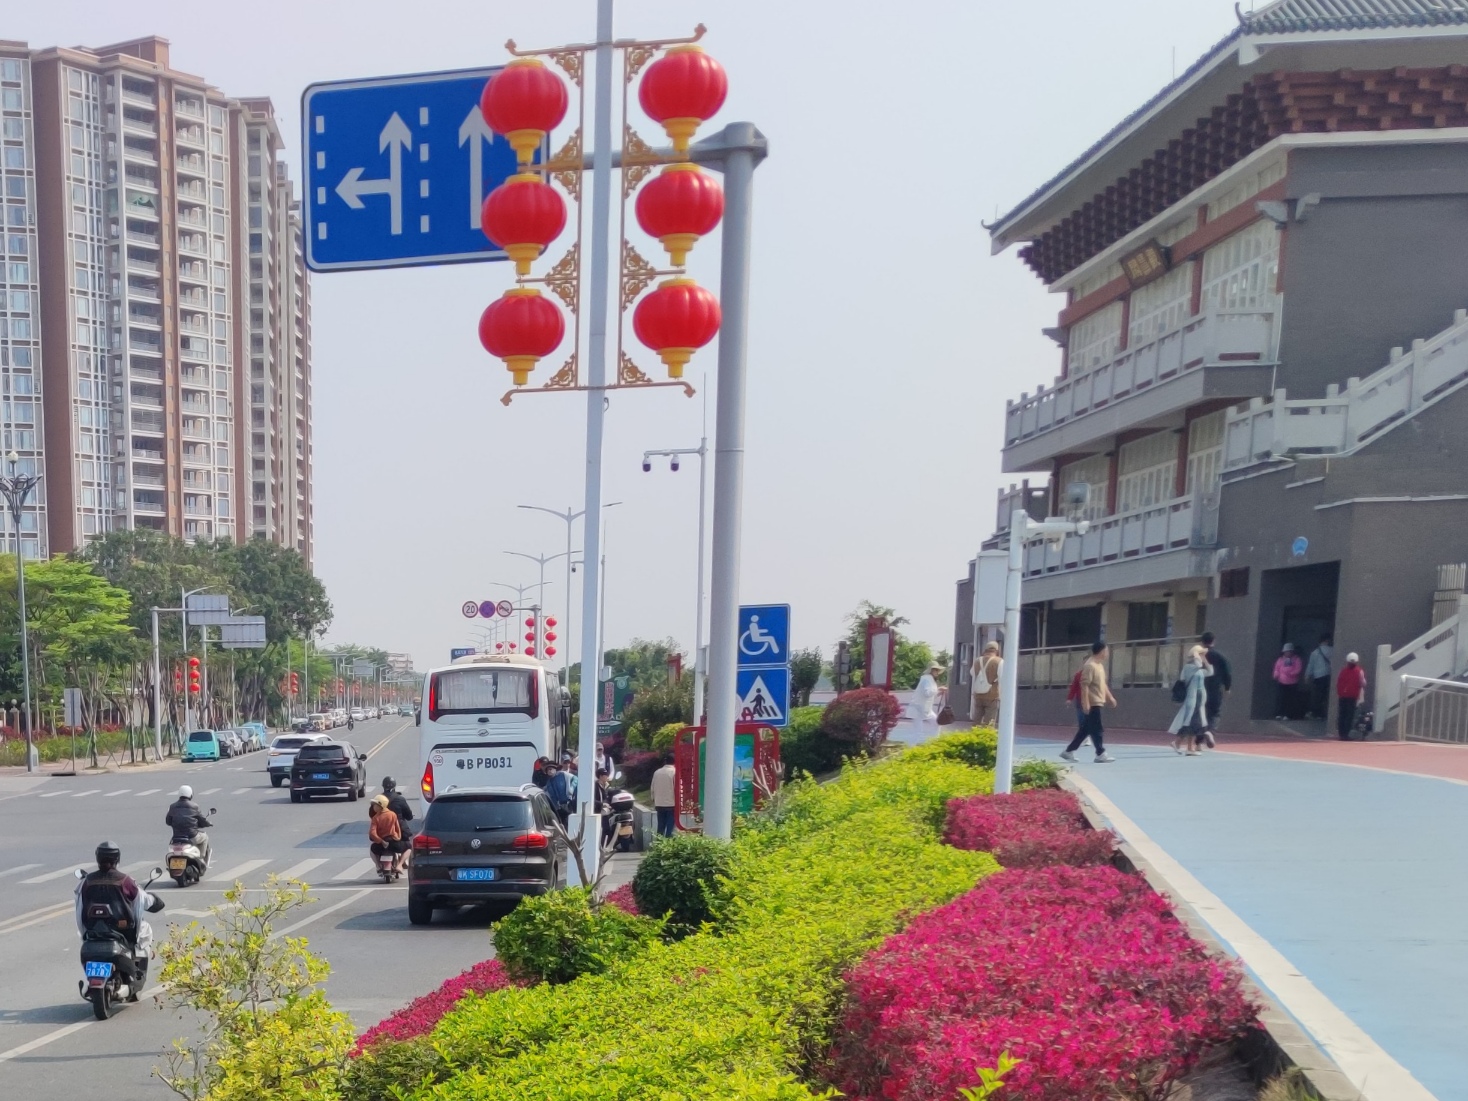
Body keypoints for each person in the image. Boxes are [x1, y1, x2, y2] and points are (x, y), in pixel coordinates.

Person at [75, 840, 162, 962]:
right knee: (145, 928)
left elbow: (79, 909)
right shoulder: (126, 881)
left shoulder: (86, 882)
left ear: (98, 858)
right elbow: (143, 901)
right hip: (122, 932)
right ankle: (137, 966)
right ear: (117, 859)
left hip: (92, 933)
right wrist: (154, 900)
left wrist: (84, 936)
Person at [1061, 642, 1117, 763]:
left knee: (1085, 729)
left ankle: (1069, 751)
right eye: (1106, 651)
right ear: (1101, 651)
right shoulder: (1090, 666)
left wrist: (1110, 698)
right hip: (1092, 703)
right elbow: (1084, 685)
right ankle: (1100, 753)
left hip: (1098, 701)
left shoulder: (1099, 666)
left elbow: (1102, 684)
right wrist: (1085, 703)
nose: (1107, 653)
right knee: (1097, 729)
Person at [1168, 645, 1214, 755]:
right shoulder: (1189, 667)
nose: (1203, 656)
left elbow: (1210, 671)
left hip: (1199, 700)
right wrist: (1198, 656)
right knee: (1191, 723)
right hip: (1192, 699)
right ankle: (1183, 745)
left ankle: (1183, 745)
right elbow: (1198, 666)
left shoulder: (1199, 670)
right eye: (1201, 654)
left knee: (1194, 724)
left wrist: (1205, 660)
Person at [165, 785, 212, 868]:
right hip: (192, 837)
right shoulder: (194, 806)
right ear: (190, 794)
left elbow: (168, 821)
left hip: (176, 838)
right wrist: (208, 823)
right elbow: (202, 820)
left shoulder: (172, 806)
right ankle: (201, 859)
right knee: (205, 837)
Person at [1200, 632, 1230, 745]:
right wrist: (1227, 687)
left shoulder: (1198, 656)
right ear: (1213, 641)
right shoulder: (1220, 656)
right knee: (1215, 713)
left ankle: (1198, 742)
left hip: (1200, 688)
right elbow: (1227, 673)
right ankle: (1211, 731)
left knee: (1201, 714)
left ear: (1202, 642)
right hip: (1215, 688)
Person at [368, 795, 409, 875]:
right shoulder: (393, 814)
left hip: (381, 845)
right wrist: (397, 838)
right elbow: (397, 829)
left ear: (380, 805)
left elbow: (372, 833)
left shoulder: (375, 818)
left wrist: (381, 841)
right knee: (408, 847)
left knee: (372, 849)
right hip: (393, 843)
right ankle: (400, 865)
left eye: (375, 805)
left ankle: (378, 866)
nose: (373, 807)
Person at [909, 660, 945, 741]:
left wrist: (938, 692)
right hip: (918, 708)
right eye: (936, 670)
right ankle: (913, 747)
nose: (937, 672)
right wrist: (939, 689)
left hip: (923, 708)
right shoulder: (927, 679)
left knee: (936, 723)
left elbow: (929, 695)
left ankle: (933, 742)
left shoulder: (929, 679)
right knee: (918, 731)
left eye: (938, 670)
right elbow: (928, 693)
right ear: (931, 670)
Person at [1336, 652, 1367, 740]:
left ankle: (1341, 734)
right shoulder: (1359, 671)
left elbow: (1338, 682)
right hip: (1353, 696)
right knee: (1349, 715)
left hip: (1342, 695)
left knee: (1342, 714)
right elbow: (1363, 683)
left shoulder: (1343, 671)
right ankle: (1345, 734)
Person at [970, 642, 1002, 727]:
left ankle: (974, 734)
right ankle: (986, 735)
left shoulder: (977, 661)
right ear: (996, 650)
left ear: (985, 650)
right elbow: (1002, 679)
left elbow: (972, 673)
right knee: (989, 723)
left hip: (978, 695)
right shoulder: (999, 661)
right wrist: (1001, 696)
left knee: (976, 721)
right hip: (992, 696)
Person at [1271, 642, 1304, 720]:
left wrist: (1291, 673)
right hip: (1282, 681)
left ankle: (1288, 714)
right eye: (1286, 651)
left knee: (1290, 699)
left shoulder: (1296, 659)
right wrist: (1276, 674)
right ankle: (1279, 713)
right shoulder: (1280, 659)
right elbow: (1277, 668)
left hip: (1292, 682)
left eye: (1289, 651)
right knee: (1281, 698)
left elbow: (1298, 669)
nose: (1287, 653)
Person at [1306, 634, 1334, 720]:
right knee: (1326, 696)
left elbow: (1310, 665)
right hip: (1329, 675)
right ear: (1327, 641)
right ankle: (1325, 713)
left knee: (1317, 696)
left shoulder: (1315, 652)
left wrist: (1307, 676)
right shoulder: (1332, 650)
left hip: (1318, 677)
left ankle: (1317, 713)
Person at [544, 759, 578, 828]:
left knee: (570, 823)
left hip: (569, 803)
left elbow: (575, 779)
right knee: (562, 825)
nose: (549, 771)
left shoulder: (563, 774)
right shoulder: (548, 783)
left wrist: (571, 788)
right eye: (548, 770)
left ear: (555, 769)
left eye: (551, 769)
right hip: (559, 808)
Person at [651, 753, 677, 838]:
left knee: (660, 827)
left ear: (665, 761)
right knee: (670, 829)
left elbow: (652, 788)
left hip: (659, 804)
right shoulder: (674, 772)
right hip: (671, 804)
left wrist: (653, 799)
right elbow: (677, 788)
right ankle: (668, 844)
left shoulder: (657, 772)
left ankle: (659, 843)